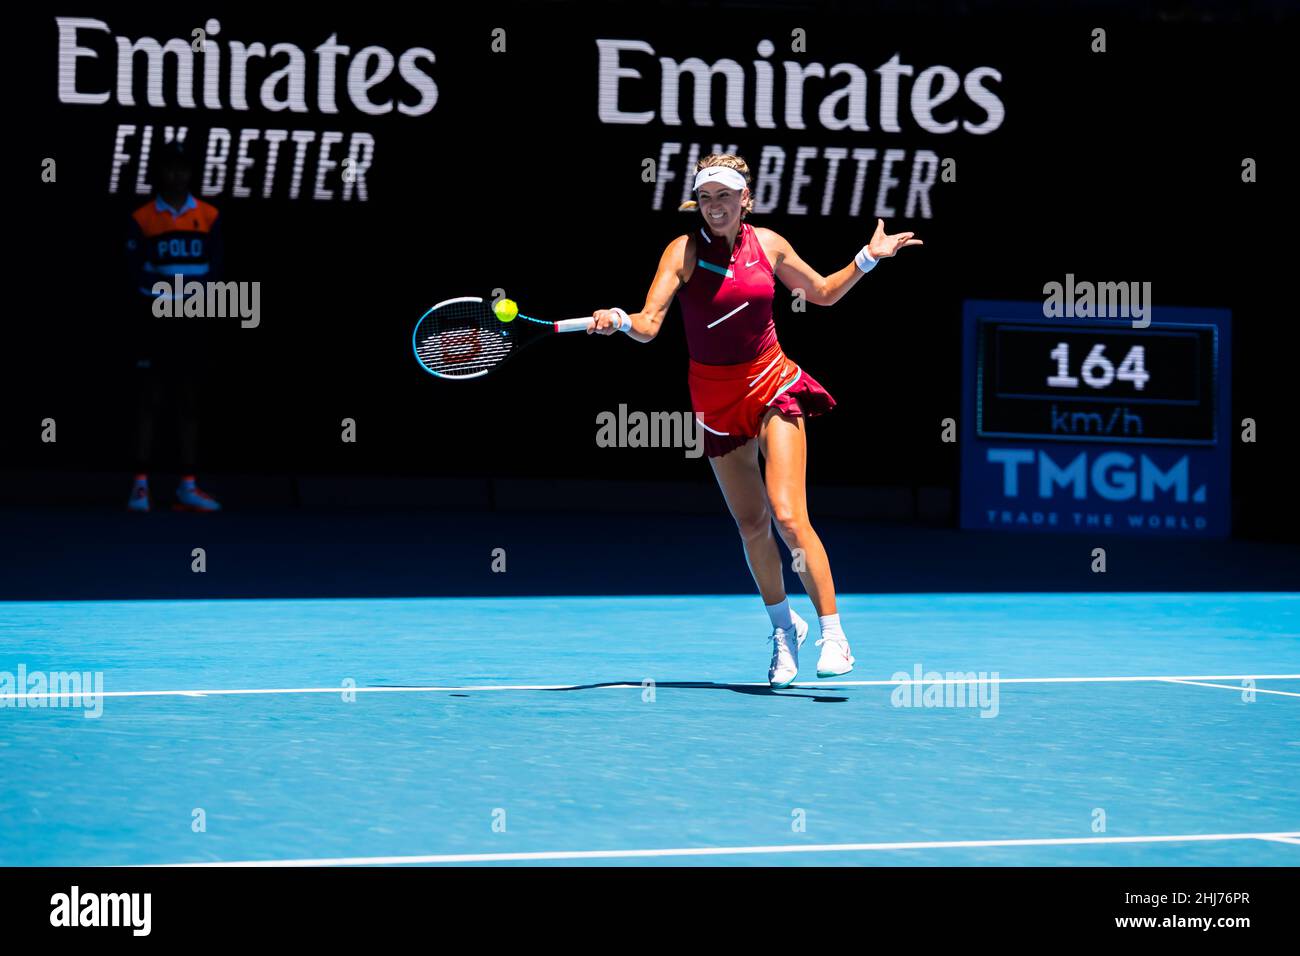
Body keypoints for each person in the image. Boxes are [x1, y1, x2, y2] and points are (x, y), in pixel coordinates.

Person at [590, 153, 921, 687]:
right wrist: (621, 320)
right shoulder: (683, 250)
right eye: (706, 197)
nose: (715, 206)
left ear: (746, 199)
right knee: (751, 525)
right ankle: (783, 631)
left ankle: (833, 633)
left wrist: (868, 257)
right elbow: (651, 325)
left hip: (772, 383)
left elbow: (823, 294)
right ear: (696, 203)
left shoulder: (769, 245)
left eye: (725, 196)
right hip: (715, 399)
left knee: (789, 517)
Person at [124, 141, 223, 512]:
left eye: (183, 168)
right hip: (155, 321)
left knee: (188, 400)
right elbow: (134, 272)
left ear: (191, 172)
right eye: (170, 167)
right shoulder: (143, 218)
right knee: (148, 398)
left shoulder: (210, 215)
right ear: (160, 171)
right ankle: (140, 486)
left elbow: (216, 267)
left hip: (193, 322)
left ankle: (187, 485)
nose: (177, 175)